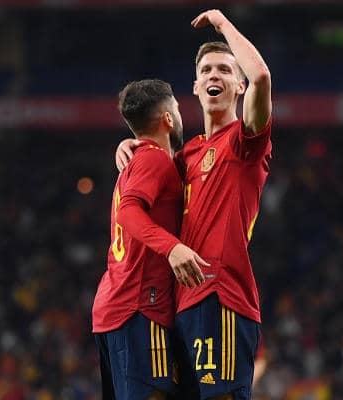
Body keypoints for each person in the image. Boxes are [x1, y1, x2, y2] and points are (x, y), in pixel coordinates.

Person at [116, 9, 272, 400]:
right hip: (180, 302)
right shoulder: (185, 155)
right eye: (206, 71)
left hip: (221, 295)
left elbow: (262, 77)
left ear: (238, 85)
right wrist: (132, 143)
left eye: (224, 70)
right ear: (196, 87)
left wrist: (222, 24)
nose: (214, 76)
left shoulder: (244, 142)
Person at [93, 79, 208, 400]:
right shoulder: (153, 159)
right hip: (140, 307)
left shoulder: (141, 159)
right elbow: (129, 212)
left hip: (120, 306)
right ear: (168, 118)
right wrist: (172, 248)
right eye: (178, 110)